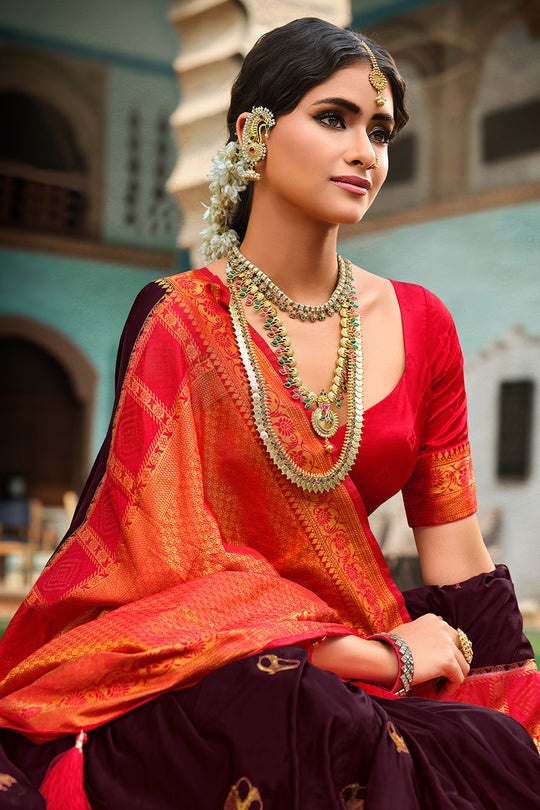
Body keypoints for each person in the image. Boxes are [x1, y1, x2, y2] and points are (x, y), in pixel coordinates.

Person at [0, 17, 538, 810]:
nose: (367, 152)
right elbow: (164, 567)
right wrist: (374, 654)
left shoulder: (423, 325)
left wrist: (514, 712)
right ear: (254, 133)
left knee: (487, 754)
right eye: (334, 118)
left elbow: (455, 550)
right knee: (293, 709)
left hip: (362, 673)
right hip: (229, 676)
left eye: (381, 131)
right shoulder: (180, 321)